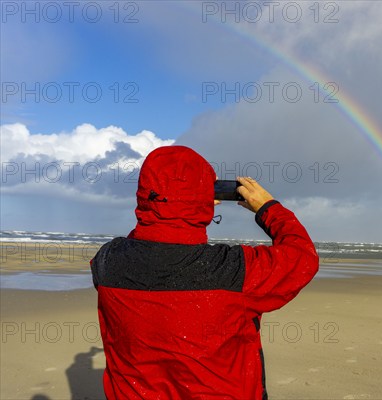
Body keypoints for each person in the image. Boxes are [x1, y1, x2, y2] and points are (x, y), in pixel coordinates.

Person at [90, 145, 319, 399]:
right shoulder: (234, 270)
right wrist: (268, 207)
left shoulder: (108, 261)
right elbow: (301, 257)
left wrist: (174, 207)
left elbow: (147, 244)